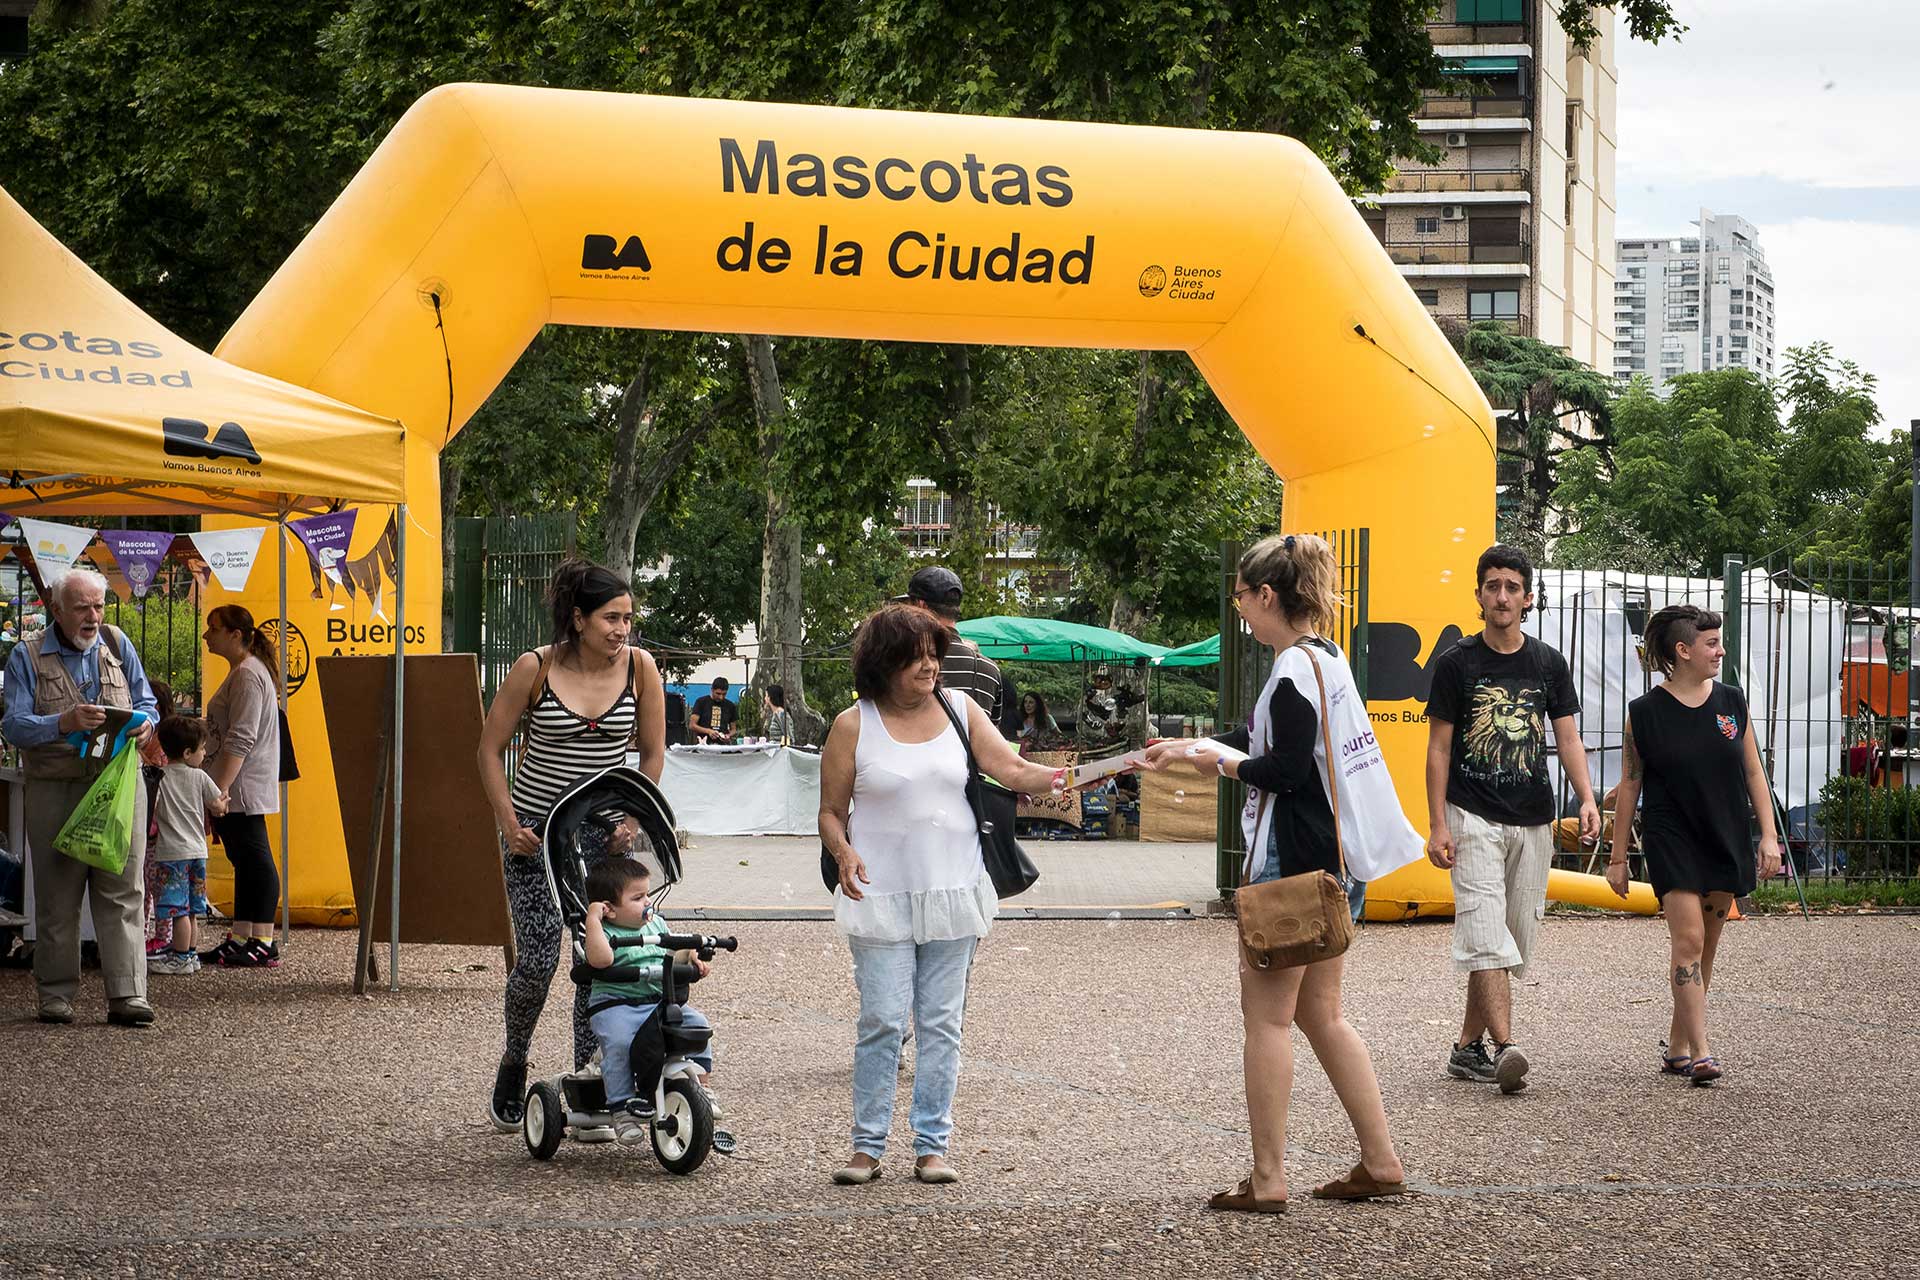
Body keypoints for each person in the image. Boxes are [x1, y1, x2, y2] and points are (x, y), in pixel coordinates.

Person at [1142, 534, 1407, 1212]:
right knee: (1323, 1016)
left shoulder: (1290, 668)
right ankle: (1380, 1161)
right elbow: (1276, 740)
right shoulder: (1326, 659)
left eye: (1242, 599)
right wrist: (1189, 747)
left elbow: (1282, 768)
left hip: (1291, 864)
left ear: (1267, 595)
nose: (1241, 614)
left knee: (1267, 1021)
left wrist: (1219, 764)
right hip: (1334, 861)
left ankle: (1267, 1179)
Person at [819, 603, 1067, 1187]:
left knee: (941, 1022)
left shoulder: (962, 708)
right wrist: (844, 851)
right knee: (881, 1018)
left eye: (934, 655)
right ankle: (867, 1145)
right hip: (880, 894)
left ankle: (932, 1145)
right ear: (883, 665)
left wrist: (1067, 777)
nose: (930, 667)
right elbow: (830, 813)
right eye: (915, 658)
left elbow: (1011, 768)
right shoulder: (853, 724)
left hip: (954, 887)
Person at [477, 558, 666, 1133]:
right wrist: (510, 825)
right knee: (537, 959)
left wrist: (636, 816)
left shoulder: (641, 669)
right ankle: (515, 1056)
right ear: (579, 618)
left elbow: (653, 752)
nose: (622, 629)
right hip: (535, 832)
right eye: (611, 617)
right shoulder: (535, 667)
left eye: (628, 618)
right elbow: (489, 750)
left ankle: (592, 1074)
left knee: (598, 956)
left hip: (605, 832)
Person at [1424, 545, 1598, 1094]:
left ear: (1527, 597)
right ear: (1478, 595)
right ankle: (1506, 1046)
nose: (1502, 596)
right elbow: (1438, 750)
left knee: (1512, 937)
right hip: (1470, 812)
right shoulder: (1457, 662)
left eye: (1512, 587)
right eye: (1492, 585)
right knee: (1483, 929)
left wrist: (1588, 798)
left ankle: (1465, 1048)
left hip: (1533, 818)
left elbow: (1568, 736)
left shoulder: (1547, 663)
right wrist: (1437, 823)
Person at [1607, 604, 1781, 1086]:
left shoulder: (1732, 701)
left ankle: (1678, 1045)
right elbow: (1630, 786)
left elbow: (1752, 772)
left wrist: (1768, 835)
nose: (1720, 650)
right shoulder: (1643, 715)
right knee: (1687, 940)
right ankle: (1703, 1052)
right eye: (1711, 643)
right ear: (1683, 650)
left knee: (1704, 949)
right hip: (1670, 837)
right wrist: (1618, 858)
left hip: (1723, 833)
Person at [0, 568, 159, 1026]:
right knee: (56, 895)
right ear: (56, 609)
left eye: (98, 606)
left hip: (117, 785)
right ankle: (55, 996)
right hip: (56, 789)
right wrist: (62, 723)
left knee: (124, 890)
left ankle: (128, 996)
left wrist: (147, 724)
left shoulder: (117, 642)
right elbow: (12, 726)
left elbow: (146, 701)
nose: (93, 616)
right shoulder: (25, 657)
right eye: (82, 608)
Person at [581, 858, 716, 1141]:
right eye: (638, 897)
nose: (648, 903)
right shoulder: (604, 931)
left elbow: (674, 950)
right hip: (616, 1005)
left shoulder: (656, 925)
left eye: (648, 895)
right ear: (610, 909)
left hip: (657, 1002)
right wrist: (593, 918)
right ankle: (621, 1108)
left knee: (698, 1026)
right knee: (618, 1044)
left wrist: (691, 957)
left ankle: (702, 1090)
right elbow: (601, 959)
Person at [197, 605, 284, 969]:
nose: (207, 636)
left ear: (235, 635)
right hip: (238, 782)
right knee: (244, 860)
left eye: (213, 629)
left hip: (240, 785)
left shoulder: (247, 675)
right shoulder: (244, 672)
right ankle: (242, 936)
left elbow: (241, 737)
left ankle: (262, 939)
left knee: (255, 860)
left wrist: (219, 788)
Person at [145, 716, 228, 976]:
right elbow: (217, 805)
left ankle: (179, 957)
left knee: (177, 909)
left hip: (172, 852)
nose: (204, 753)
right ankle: (189, 955)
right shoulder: (200, 777)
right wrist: (224, 803)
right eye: (202, 749)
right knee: (192, 908)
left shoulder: (161, 777)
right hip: (197, 852)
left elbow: (152, 807)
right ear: (187, 752)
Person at [896, 564, 1004, 723]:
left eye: (908, 605)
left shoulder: (900, 661)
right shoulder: (989, 669)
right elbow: (994, 735)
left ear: (921, 606)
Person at [688, 677, 738, 744]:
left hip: (723, 747)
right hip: (704, 745)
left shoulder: (730, 706)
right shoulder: (701, 702)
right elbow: (692, 725)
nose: (721, 697)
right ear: (712, 690)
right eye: (718, 693)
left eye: (724, 694)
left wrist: (728, 735)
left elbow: (734, 729)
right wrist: (708, 731)